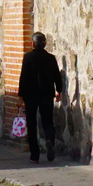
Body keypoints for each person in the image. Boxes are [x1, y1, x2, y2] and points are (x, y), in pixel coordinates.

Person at [17, 31, 65, 162]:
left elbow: (23, 77)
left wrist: (20, 95)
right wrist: (59, 90)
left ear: (32, 43)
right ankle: (49, 140)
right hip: (46, 94)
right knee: (48, 121)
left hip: (31, 95)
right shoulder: (50, 58)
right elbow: (56, 75)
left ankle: (34, 154)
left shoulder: (28, 57)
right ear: (45, 44)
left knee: (31, 124)